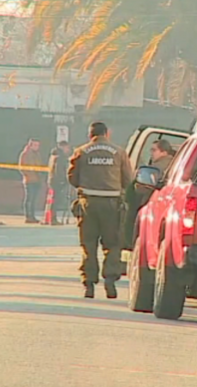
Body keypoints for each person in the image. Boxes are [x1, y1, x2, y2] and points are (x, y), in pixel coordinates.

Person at [68, 122, 132, 299]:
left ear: (90, 135)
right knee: (112, 244)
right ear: (107, 134)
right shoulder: (119, 152)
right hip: (112, 204)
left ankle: (89, 283)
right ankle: (110, 280)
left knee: (88, 244)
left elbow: (72, 178)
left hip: (88, 202)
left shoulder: (81, 152)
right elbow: (128, 179)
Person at [18, 138, 44, 223]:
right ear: (30, 145)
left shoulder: (37, 154)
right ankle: (28, 216)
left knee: (33, 199)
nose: (37, 147)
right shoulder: (25, 154)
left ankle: (32, 216)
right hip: (29, 180)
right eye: (35, 145)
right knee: (29, 198)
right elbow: (22, 168)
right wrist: (29, 175)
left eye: (38, 145)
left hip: (37, 179)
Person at [47, 141, 72, 225]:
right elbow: (59, 170)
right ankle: (53, 219)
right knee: (55, 200)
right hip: (57, 181)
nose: (68, 150)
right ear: (63, 147)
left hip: (52, 179)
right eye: (67, 148)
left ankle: (51, 218)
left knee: (53, 200)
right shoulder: (60, 157)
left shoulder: (53, 155)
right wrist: (63, 180)